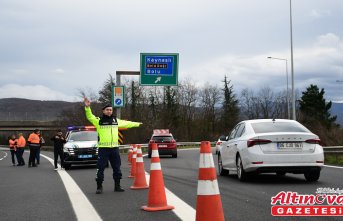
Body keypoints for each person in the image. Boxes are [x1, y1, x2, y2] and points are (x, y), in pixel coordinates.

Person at [84, 97, 142, 194]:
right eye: (107, 110)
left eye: (110, 110)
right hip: (103, 149)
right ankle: (99, 187)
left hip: (114, 149)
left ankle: (117, 186)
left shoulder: (116, 120)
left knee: (117, 168)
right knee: (100, 168)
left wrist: (138, 124)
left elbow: (127, 123)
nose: (109, 111)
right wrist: (87, 107)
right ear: (103, 111)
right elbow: (90, 116)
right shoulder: (99, 121)